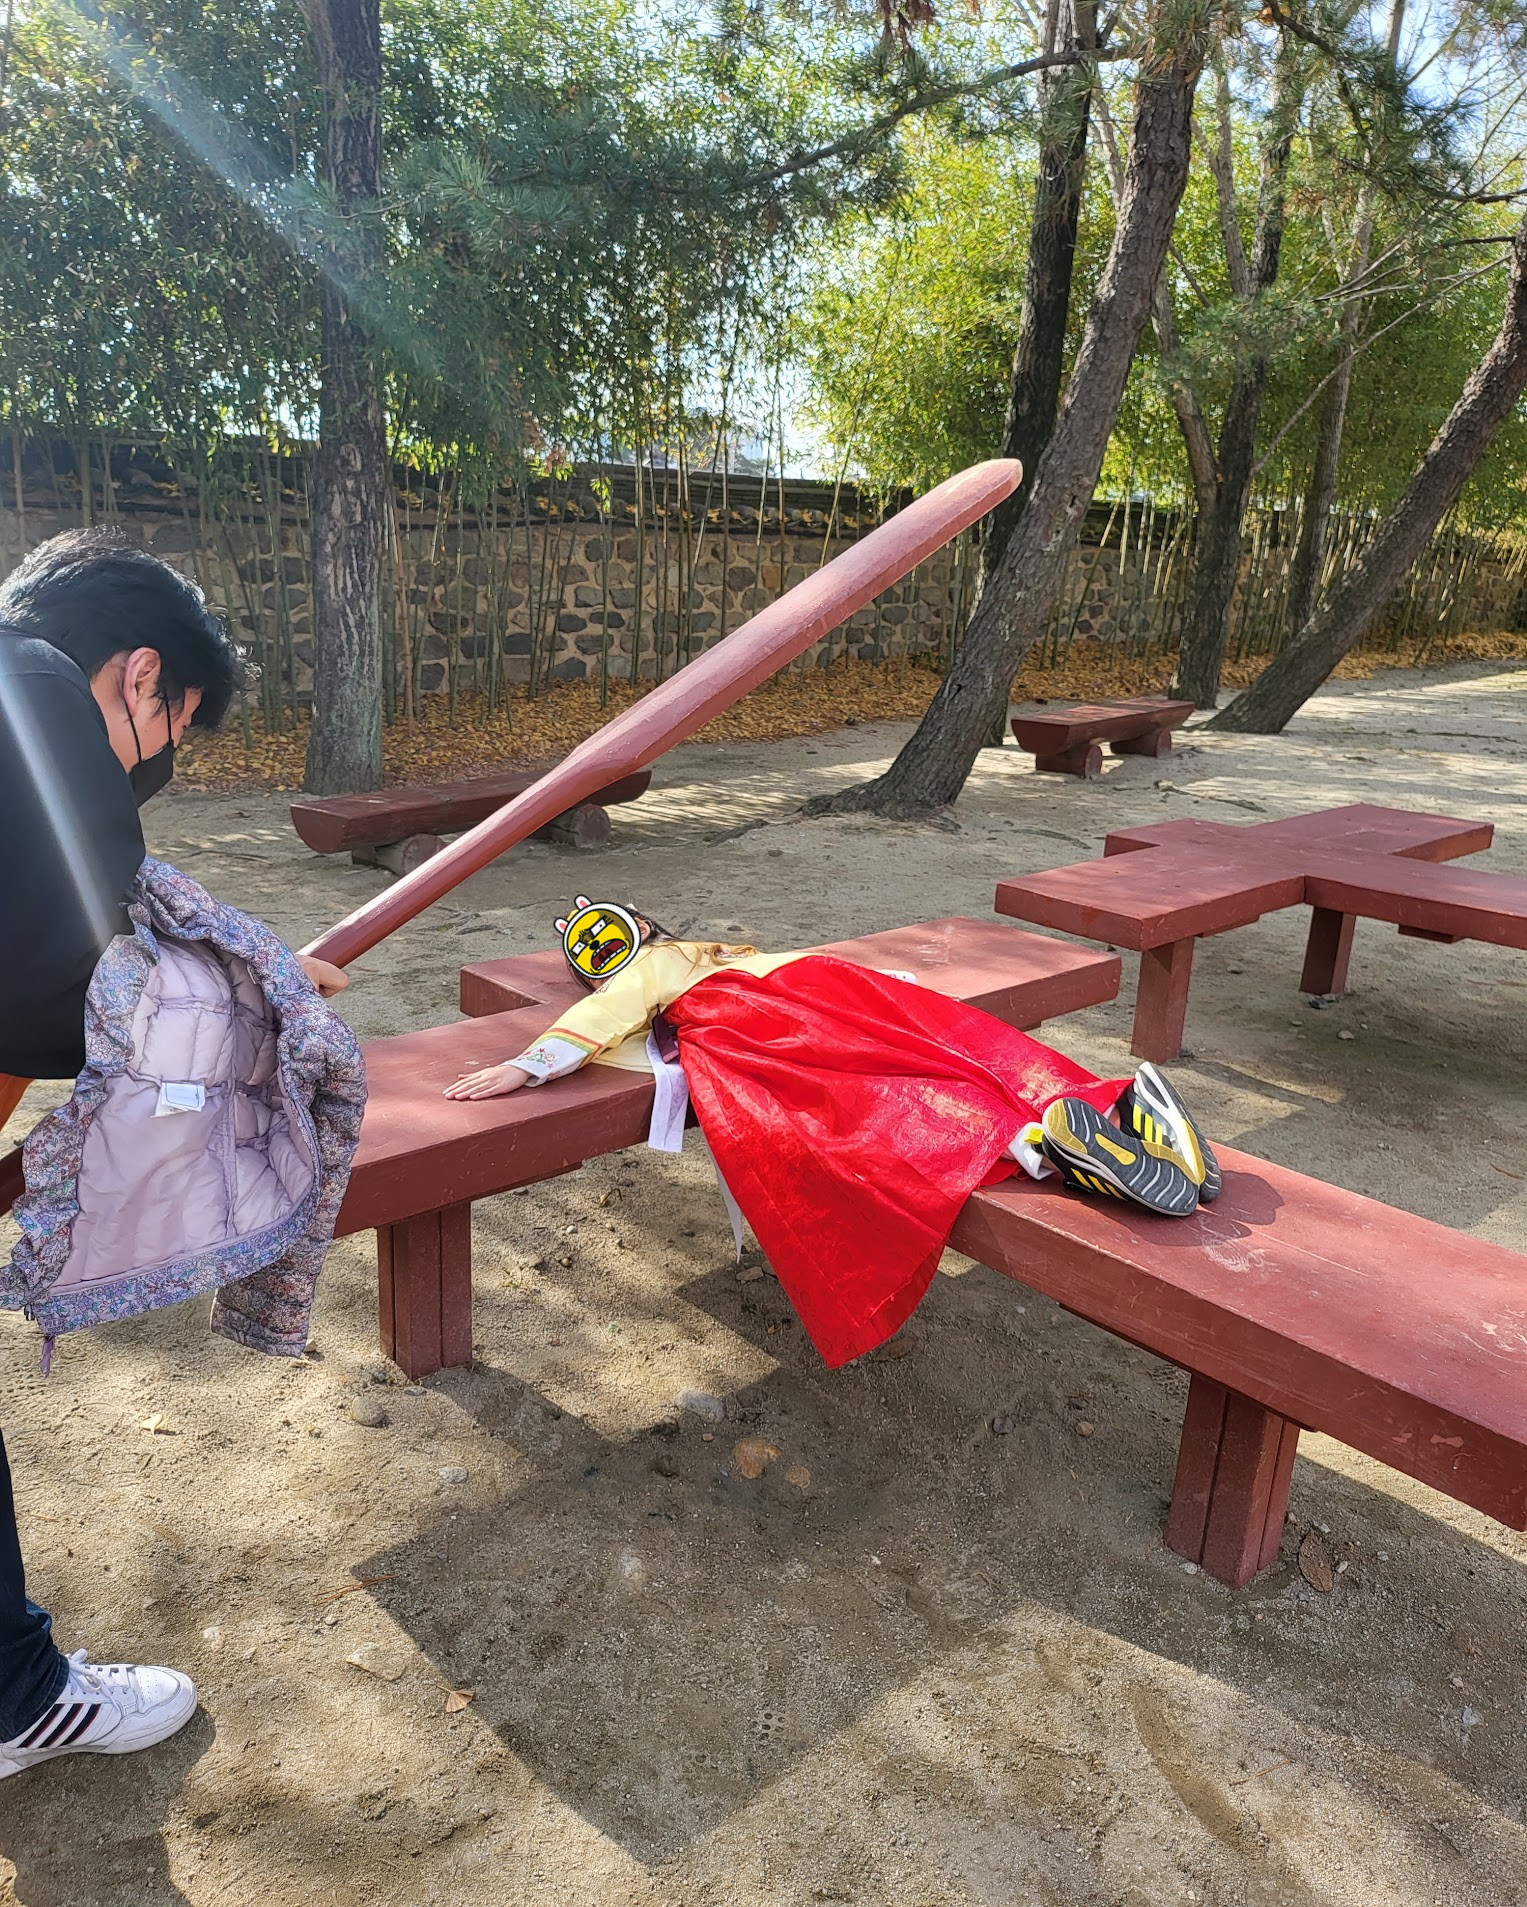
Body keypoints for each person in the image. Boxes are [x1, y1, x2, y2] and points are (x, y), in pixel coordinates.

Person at [0, 529, 348, 1781]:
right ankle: (14, 1696)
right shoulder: (38, 695)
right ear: (143, 675)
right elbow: (80, 989)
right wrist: (262, 988)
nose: (154, 766)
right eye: (173, 732)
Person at [445, 896, 1220, 1370]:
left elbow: (605, 1012)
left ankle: (1034, 1147)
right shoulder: (727, 949)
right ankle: (1101, 1113)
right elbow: (824, 966)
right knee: (942, 1060)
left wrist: (530, 1063)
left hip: (751, 1018)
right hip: (825, 987)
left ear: (635, 938)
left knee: (855, 1104)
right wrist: (895, 987)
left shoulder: (656, 968)